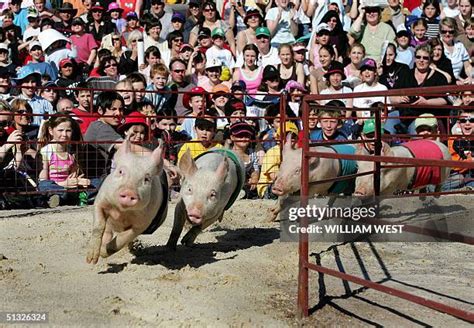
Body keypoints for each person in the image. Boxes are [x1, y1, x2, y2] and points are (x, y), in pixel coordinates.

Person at [38, 113, 90, 206]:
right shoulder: (47, 151)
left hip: (71, 188)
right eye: (60, 130)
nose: (64, 134)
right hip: (56, 188)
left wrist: (79, 181)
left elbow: (74, 174)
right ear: (50, 130)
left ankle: (78, 197)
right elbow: (43, 180)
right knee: (44, 186)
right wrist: (64, 184)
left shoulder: (71, 152)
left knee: (95, 182)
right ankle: (57, 198)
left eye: (68, 131)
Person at [228, 121, 260, 199]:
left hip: (246, 184)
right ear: (232, 137)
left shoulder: (252, 153)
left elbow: (255, 168)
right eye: (240, 136)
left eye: (247, 136)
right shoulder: (229, 153)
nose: (244, 139)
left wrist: (254, 177)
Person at [439, 17, 471, 84]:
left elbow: (467, 66)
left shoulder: (459, 46)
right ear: (440, 31)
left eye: (451, 32)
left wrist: (471, 76)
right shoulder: (437, 46)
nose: (447, 34)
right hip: (442, 81)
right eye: (444, 31)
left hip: (459, 81)